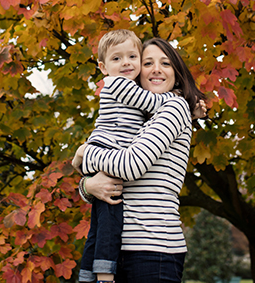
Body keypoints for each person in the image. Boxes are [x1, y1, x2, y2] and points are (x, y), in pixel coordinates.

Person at [73, 38, 205, 283]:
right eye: (148, 62)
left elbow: (130, 166)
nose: (156, 69)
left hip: (152, 251)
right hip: (119, 249)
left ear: (176, 73)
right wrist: (87, 186)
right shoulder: (136, 118)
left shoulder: (174, 108)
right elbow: (108, 183)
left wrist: (84, 153)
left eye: (165, 63)